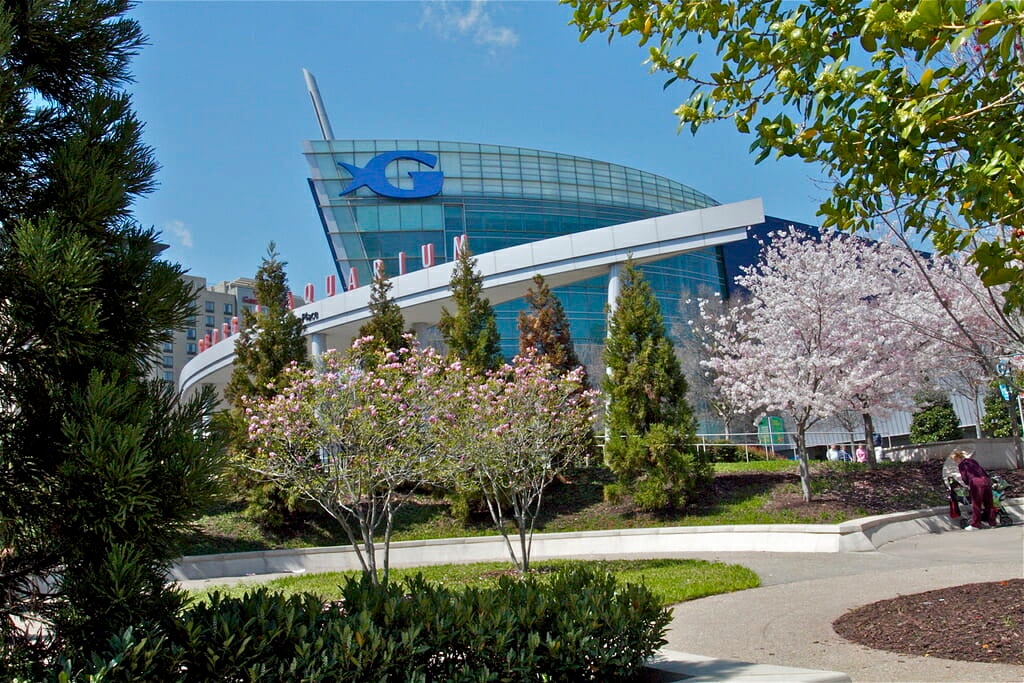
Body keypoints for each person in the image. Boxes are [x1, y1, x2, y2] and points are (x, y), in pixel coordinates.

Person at [950, 449, 997, 530]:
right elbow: (981, 470)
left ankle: (975, 524)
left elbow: (964, 477)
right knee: (989, 503)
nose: (955, 462)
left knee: (976, 504)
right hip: (986, 480)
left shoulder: (962, 465)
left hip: (975, 482)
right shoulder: (972, 461)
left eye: (955, 460)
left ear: (958, 458)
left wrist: (967, 484)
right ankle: (992, 522)